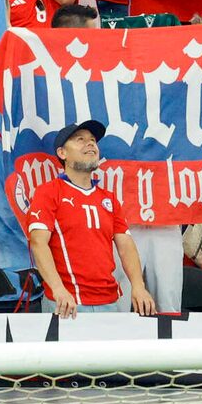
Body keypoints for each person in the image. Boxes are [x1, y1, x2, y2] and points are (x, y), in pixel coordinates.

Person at [25, 118, 156, 317]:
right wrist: (58, 289)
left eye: (93, 140)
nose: (90, 144)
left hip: (110, 303)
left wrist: (138, 286)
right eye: (80, 139)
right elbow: (38, 242)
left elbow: (126, 244)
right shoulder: (49, 192)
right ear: (62, 153)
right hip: (67, 304)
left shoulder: (108, 198)